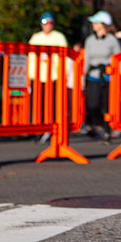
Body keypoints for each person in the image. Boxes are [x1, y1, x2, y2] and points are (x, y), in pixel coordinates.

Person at [28, 12, 70, 144]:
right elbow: (30, 58)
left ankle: (53, 130)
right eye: (45, 22)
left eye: (51, 22)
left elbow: (66, 57)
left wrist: (64, 74)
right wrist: (29, 75)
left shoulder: (59, 37)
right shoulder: (36, 38)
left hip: (53, 76)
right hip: (38, 77)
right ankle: (38, 130)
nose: (48, 25)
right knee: (37, 105)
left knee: (52, 105)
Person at [82, 10, 121, 141]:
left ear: (103, 24)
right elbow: (87, 60)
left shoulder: (112, 41)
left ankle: (107, 130)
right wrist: (83, 77)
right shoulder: (89, 40)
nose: (93, 24)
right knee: (92, 105)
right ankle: (98, 125)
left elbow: (119, 60)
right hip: (93, 77)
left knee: (108, 106)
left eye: (96, 22)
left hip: (108, 77)